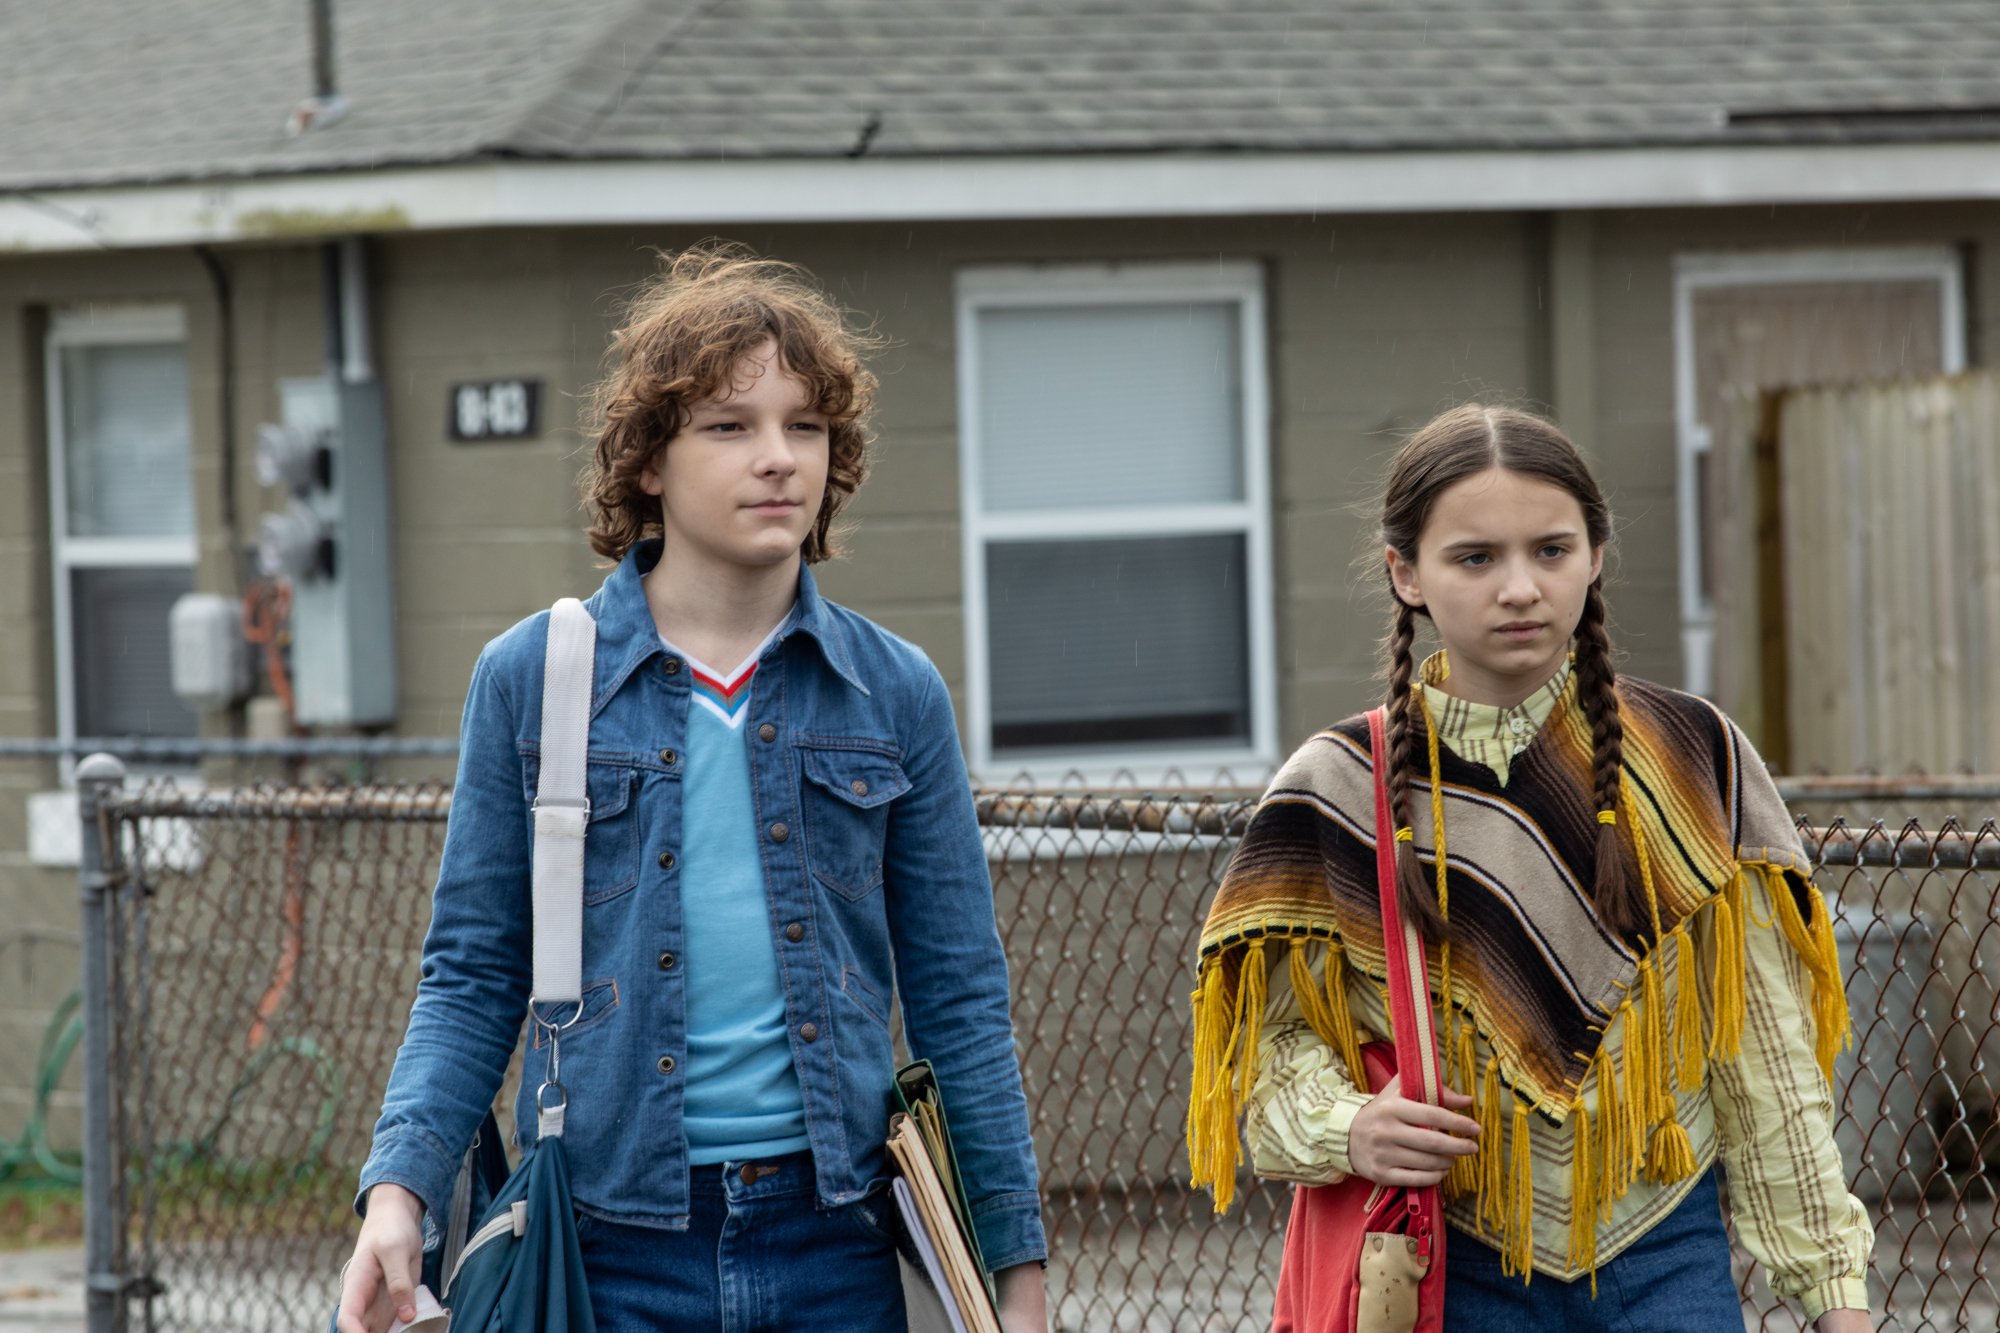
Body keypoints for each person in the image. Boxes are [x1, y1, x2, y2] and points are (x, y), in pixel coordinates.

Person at [338, 244, 1048, 1332]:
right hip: (605, 1248)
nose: (777, 459)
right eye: (730, 426)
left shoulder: (892, 690)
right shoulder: (535, 678)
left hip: (841, 1240)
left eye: (802, 427)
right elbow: (474, 973)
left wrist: (1014, 1269)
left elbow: (959, 996)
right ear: (649, 464)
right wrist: (399, 1192)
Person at [1186, 404, 1873, 1330]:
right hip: (1449, 1263)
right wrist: (1350, 1125)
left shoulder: (1690, 758)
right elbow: (1262, 1063)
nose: (1520, 587)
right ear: (1406, 574)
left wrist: (1836, 1298)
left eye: (1551, 550)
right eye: (1475, 558)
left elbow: (1766, 1062)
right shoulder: (1335, 789)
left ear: (1595, 555)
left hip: (1664, 1255)